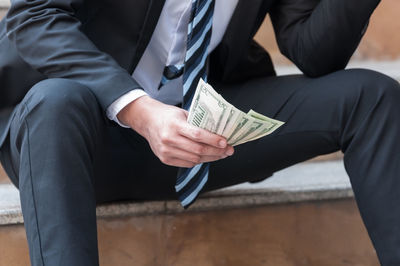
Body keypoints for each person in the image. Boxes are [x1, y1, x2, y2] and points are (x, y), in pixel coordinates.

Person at [0, 0, 398, 265]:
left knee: (372, 98)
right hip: (69, 143)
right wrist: (141, 111)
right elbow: (34, 17)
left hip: (198, 141)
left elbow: (315, 52)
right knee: (56, 101)